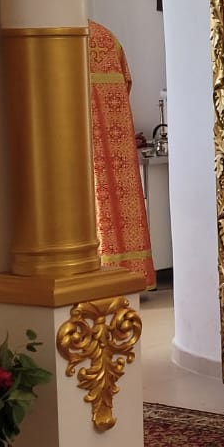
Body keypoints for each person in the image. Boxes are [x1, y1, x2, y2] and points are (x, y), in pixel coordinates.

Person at [87, 20, 155, 288]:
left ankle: (100, 277)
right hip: (117, 139)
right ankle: (132, 274)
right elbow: (127, 83)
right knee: (121, 203)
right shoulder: (107, 38)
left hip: (80, 139)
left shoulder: (63, 35)